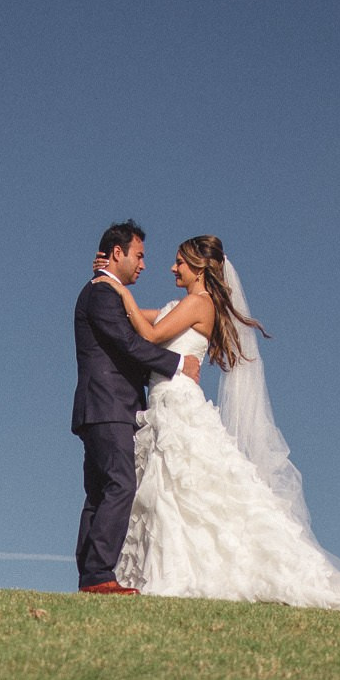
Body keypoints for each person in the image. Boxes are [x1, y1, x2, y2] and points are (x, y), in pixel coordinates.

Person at [92, 235, 340, 611]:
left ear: (198, 266)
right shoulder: (180, 305)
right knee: (169, 492)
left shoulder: (200, 303)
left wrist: (114, 285)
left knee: (186, 487)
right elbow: (133, 318)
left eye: (179, 261)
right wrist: (111, 287)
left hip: (179, 405)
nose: (171, 267)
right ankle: (166, 568)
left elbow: (149, 334)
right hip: (161, 408)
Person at [70, 221, 201, 594]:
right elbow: (128, 343)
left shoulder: (107, 291)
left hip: (101, 407)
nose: (143, 264)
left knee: (99, 492)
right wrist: (177, 365)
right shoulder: (101, 294)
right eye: (139, 255)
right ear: (117, 253)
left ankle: (91, 577)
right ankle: (98, 574)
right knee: (120, 484)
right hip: (108, 405)